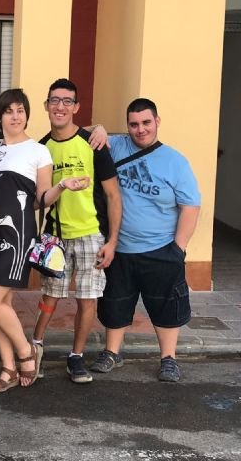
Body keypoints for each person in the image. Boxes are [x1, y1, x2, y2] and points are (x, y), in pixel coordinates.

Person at [0, 88, 90, 393]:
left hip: (15, 235)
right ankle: (7, 370)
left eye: (21, 110)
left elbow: (42, 199)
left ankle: (26, 354)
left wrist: (63, 186)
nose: (15, 116)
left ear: (27, 114)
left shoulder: (37, 150)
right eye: (9, 111)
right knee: (1, 304)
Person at [91, 98, 200, 383]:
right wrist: (99, 127)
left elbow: (190, 205)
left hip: (161, 249)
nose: (140, 130)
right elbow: (83, 132)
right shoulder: (116, 146)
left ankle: (168, 358)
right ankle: (112, 352)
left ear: (157, 122)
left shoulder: (175, 161)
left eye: (146, 123)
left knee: (166, 306)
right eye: (134, 124)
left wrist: (179, 248)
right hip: (120, 248)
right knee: (115, 303)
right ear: (127, 125)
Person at [32, 78, 122, 384]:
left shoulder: (93, 143)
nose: (60, 107)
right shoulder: (40, 149)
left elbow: (113, 195)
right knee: (49, 296)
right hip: (54, 236)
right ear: (46, 106)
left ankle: (76, 357)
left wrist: (111, 241)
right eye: (54, 100)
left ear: (77, 107)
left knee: (87, 300)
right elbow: (36, 199)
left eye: (67, 101)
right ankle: (35, 348)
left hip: (89, 234)